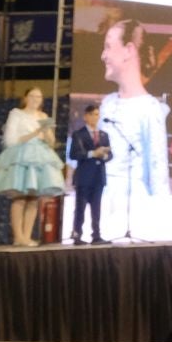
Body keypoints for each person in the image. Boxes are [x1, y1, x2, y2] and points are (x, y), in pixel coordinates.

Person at [98, 18, 171, 238]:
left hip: (132, 206)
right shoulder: (107, 103)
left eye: (109, 47)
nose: (103, 55)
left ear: (128, 50)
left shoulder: (150, 109)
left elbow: (158, 172)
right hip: (101, 200)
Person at [0, 87, 65, 245]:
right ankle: (18, 237)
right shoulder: (16, 114)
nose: (36, 99)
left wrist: (47, 132)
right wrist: (35, 133)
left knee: (33, 198)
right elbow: (11, 140)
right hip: (22, 155)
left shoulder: (44, 116)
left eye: (39, 97)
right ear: (26, 97)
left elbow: (51, 142)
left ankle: (27, 236)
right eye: (33, 96)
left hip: (40, 156)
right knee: (20, 197)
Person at [67, 103, 112, 244]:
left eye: (97, 114)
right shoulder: (79, 134)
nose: (95, 117)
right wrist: (93, 153)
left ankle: (96, 235)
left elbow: (110, 155)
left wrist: (104, 155)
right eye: (92, 114)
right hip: (84, 176)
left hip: (98, 176)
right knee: (80, 207)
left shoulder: (104, 135)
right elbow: (74, 154)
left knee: (96, 208)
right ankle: (77, 234)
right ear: (86, 117)